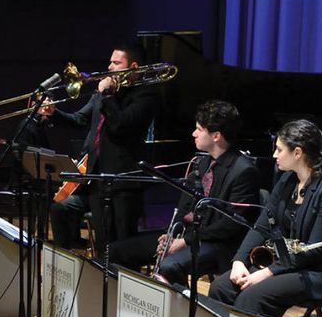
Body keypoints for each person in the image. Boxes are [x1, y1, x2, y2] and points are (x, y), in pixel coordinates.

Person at [208, 119, 322, 317]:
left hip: (320, 273)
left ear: (297, 153)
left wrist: (268, 272)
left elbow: (314, 251)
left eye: (279, 149)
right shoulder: (288, 179)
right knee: (221, 287)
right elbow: (262, 226)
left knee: (252, 296)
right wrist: (239, 261)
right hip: (287, 263)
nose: (274, 155)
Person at [109, 101, 260, 286]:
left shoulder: (244, 171)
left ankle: (178, 302)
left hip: (218, 244)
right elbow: (184, 207)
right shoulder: (201, 164)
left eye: (199, 129)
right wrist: (172, 234)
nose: (193, 134)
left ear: (216, 136)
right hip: (190, 237)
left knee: (169, 265)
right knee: (115, 251)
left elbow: (230, 226)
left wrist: (186, 241)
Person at [43, 43, 158, 258]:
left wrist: (107, 95)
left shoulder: (145, 95)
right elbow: (79, 119)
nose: (109, 67)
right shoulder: (104, 94)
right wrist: (53, 113)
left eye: (116, 63)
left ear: (133, 67)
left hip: (123, 183)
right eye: (110, 62)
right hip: (96, 180)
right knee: (100, 242)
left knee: (122, 246)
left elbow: (120, 126)